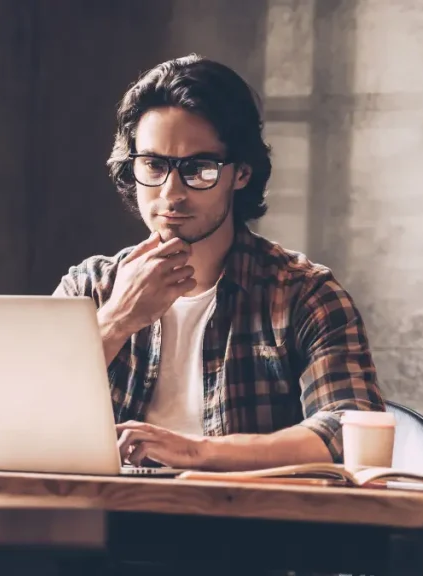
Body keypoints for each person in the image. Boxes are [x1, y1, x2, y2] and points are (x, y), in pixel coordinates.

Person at [53, 54, 385, 471]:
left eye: (198, 169)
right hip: (104, 511)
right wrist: (116, 320)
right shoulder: (89, 289)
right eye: (153, 165)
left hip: (243, 512)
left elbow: (348, 431)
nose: (171, 193)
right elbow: (21, 414)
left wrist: (196, 452)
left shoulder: (304, 295)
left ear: (241, 173)